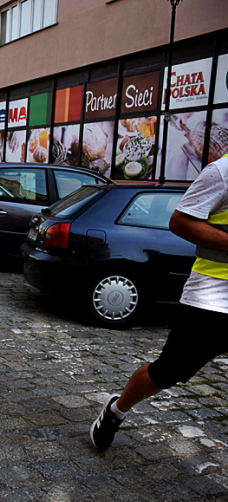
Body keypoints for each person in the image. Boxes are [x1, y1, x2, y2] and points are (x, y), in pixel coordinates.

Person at [90, 153, 228, 451]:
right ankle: (116, 410)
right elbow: (181, 222)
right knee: (169, 371)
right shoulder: (222, 171)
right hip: (213, 299)